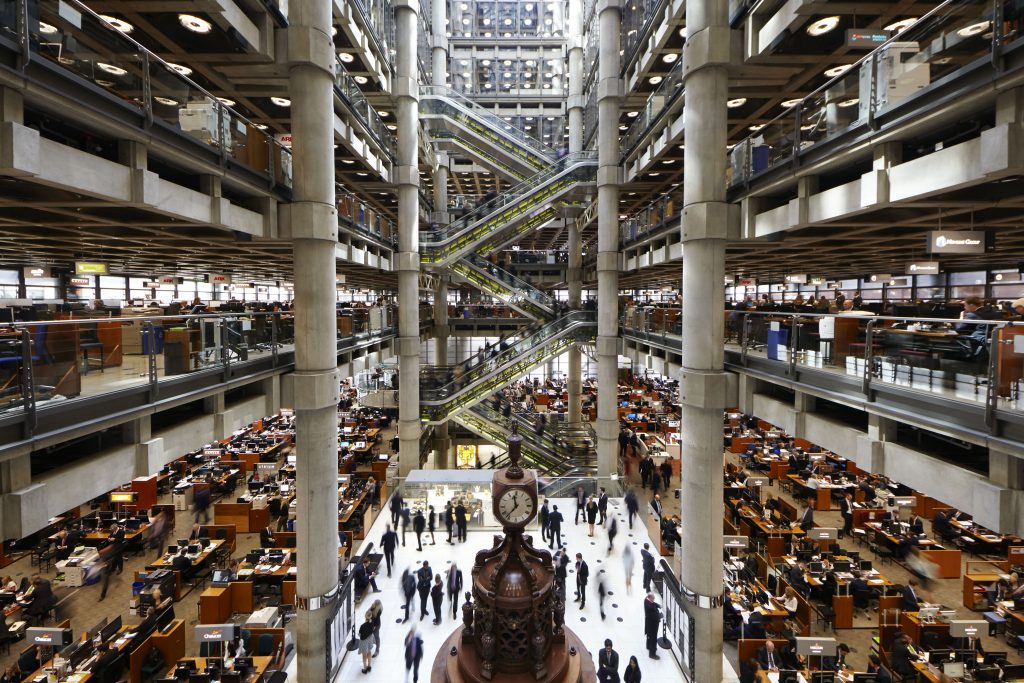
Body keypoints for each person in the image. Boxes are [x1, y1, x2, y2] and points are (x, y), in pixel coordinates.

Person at [643, 593, 662, 659]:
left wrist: (657, 605)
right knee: (653, 639)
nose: (653, 600)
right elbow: (655, 616)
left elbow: (653, 603)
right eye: (653, 599)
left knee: (649, 636)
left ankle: (648, 646)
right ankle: (652, 654)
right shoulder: (649, 608)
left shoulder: (646, 599)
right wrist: (660, 615)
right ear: (650, 598)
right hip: (652, 625)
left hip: (649, 624)